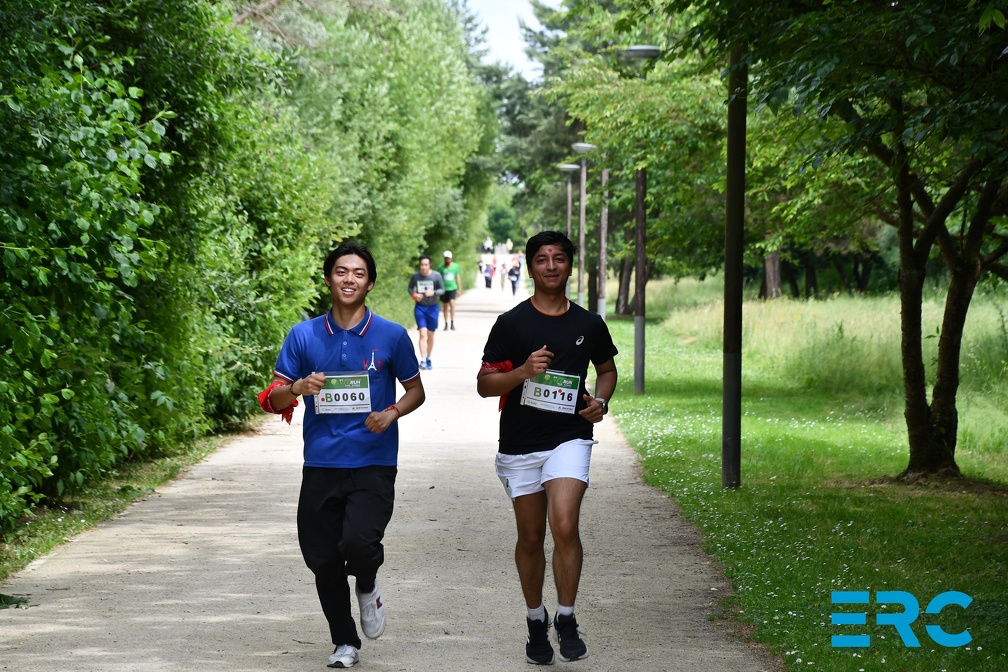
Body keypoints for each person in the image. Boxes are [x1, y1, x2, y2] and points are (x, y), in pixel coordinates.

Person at [257, 241, 425, 669]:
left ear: (370, 283)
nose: (349, 279)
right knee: (323, 558)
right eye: (341, 271)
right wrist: (297, 388)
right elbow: (272, 399)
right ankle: (344, 641)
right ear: (328, 279)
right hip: (321, 463)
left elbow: (415, 391)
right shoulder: (303, 335)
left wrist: (391, 413)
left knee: (360, 543)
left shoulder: (391, 335)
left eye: (359, 273)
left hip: (373, 460)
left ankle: (367, 583)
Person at [475, 230, 618, 665]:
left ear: (570, 266)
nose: (551, 266)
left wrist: (601, 402)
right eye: (542, 259)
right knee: (531, 535)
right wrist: (522, 371)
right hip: (520, 443)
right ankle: (536, 620)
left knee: (564, 523)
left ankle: (566, 617)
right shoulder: (511, 323)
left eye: (559, 258)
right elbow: (484, 385)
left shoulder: (589, 324)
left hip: (570, 437)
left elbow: (607, 370)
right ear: (531, 266)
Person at [408, 254, 444, 370]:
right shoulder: (415, 276)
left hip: (433, 308)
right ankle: (423, 360)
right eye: (422, 265)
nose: (423, 267)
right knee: (423, 333)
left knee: (430, 334)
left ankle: (428, 357)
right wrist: (414, 294)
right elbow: (410, 288)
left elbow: (442, 289)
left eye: (426, 265)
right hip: (420, 307)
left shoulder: (436, 275)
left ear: (430, 265)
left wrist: (434, 292)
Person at [436, 250, 462, 330]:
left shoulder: (455, 266)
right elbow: (438, 279)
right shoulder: (440, 267)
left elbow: (457, 278)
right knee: (445, 305)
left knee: (452, 304)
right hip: (444, 289)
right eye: (446, 258)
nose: (447, 259)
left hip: (452, 288)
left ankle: (452, 322)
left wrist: (459, 288)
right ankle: (446, 323)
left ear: (451, 258)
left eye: (448, 258)